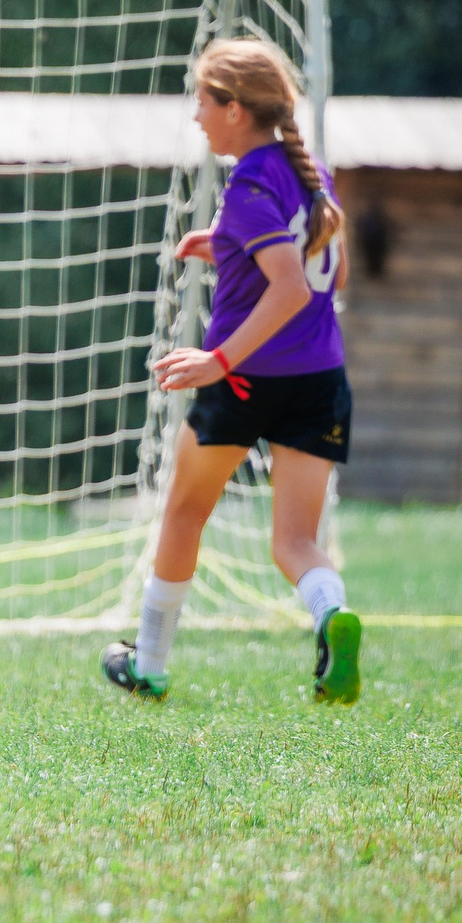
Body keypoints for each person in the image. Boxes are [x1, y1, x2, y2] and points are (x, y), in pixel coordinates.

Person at [102, 39, 363, 705]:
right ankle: (332, 617)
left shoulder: (249, 182)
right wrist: (227, 248)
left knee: (185, 511)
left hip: (246, 379)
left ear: (239, 109)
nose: (197, 118)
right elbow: (315, 272)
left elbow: (289, 289)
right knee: (296, 540)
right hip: (320, 378)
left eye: (204, 101)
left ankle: (151, 665)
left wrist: (218, 360)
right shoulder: (311, 174)